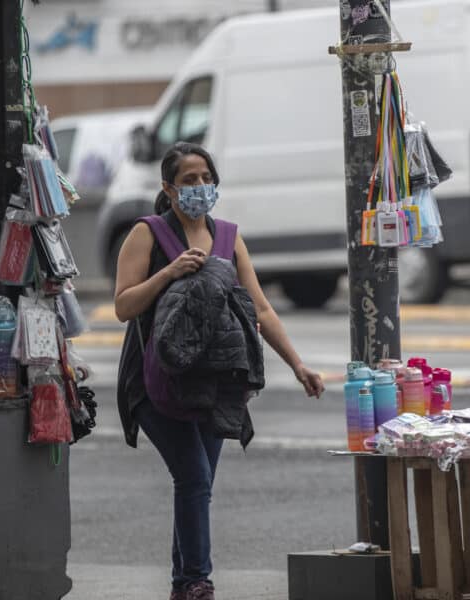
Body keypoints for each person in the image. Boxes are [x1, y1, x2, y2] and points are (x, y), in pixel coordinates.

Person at [114, 141, 325, 600]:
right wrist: (168, 273)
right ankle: (197, 581)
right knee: (192, 478)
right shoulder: (147, 234)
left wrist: (298, 365)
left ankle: (182, 584)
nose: (201, 187)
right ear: (169, 189)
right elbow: (123, 305)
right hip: (155, 383)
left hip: (214, 383)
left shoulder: (228, 237)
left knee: (198, 483)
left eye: (207, 178)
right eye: (189, 180)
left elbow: (261, 310)